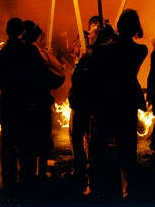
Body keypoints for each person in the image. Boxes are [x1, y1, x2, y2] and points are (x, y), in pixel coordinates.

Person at [0, 18, 64, 190]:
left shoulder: (2, 54)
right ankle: (27, 181)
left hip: (8, 107)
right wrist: (55, 80)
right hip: (26, 106)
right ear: (21, 32)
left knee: (8, 145)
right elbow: (41, 76)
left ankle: (8, 181)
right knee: (27, 145)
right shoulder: (30, 52)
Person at [89, 9, 148, 198]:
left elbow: (96, 59)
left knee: (98, 143)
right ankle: (126, 187)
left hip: (108, 99)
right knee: (127, 146)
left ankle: (96, 185)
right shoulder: (140, 50)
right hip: (127, 100)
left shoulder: (107, 48)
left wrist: (102, 39)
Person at [22, 20, 65, 182]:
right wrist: (50, 56)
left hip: (23, 104)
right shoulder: (38, 55)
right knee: (42, 141)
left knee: (27, 142)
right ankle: (38, 175)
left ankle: (26, 174)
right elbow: (59, 74)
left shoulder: (18, 53)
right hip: (39, 103)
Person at [68, 20, 100, 192]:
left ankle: (82, 167)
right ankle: (89, 166)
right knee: (89, 137)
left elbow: (78, 79)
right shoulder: (94, 54)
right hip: (91, 103)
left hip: (83, 103)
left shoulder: (90, 57)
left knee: (79, 135)